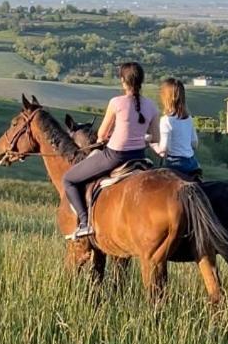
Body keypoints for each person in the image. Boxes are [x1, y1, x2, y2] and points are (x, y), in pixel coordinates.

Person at [63, 61, 159, 238]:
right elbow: (156, 138)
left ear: (123, 80)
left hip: (114, 156)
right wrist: (139, 138)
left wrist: (104, 138)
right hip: (140, 157)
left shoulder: (116, 102)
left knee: (68, 179)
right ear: (141, 81)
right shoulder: (152, 106)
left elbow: (101, 134)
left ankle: (84, 222)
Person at [151, 77, 200, 176]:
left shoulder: (166, 120)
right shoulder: (188, 118)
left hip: (175, 164)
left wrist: (153, 144)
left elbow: (163, 150)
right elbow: (195, 144)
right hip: (192, 163)